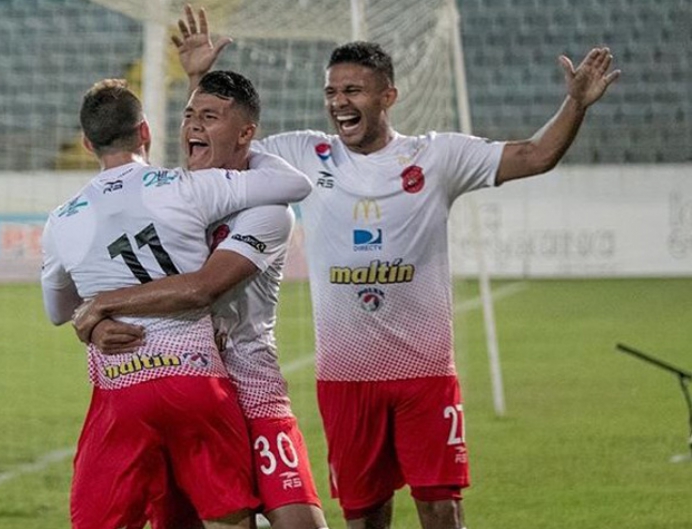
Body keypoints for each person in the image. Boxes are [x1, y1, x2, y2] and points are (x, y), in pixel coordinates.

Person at [172, 7, 620, 529]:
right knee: (363, 516)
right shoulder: (303, 155)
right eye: (332, 92)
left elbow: (536, 154)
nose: (340, 102)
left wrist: (575, 104)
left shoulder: (437, 157)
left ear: (388, 96)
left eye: (354, 91)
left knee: (441, 510)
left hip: (425, 376)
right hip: (344, 379)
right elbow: (223, 143)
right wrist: (199, 79)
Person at [40, 77, 312, 529]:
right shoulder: (184, 189)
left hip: (246, 381)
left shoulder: (263, 210)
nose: (193, 127)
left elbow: (201, 286)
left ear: (86, 143)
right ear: (146, 132)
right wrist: (91, 321)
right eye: (187, 116)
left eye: (207, 117)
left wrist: (99, 307)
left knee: (299, 523)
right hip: (200, 384)